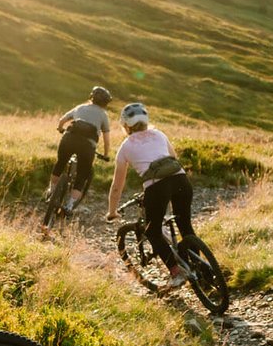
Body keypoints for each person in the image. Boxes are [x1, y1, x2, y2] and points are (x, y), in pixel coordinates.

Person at [103, 102, 193, 290]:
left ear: (125, 125)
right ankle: (203, 272)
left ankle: (176, 273)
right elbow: (174, 158)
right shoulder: (159, 134)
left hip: (157, 187)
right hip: (180, 179)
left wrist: (112, 211)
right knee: (185, 226)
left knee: (152, 231)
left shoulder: (126, 146)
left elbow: (117, 186)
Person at [48, 85, 114, 215]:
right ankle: (69, 206)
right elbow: (106, 139)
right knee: (82, 175)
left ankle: (51, 191)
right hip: (87, 147)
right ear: (105, 103)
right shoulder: (103, 115)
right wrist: (106, 155)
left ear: (91, 97)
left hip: (68, 139)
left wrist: (60, 129)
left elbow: (62, 120)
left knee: (60, 163)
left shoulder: (80, 107)